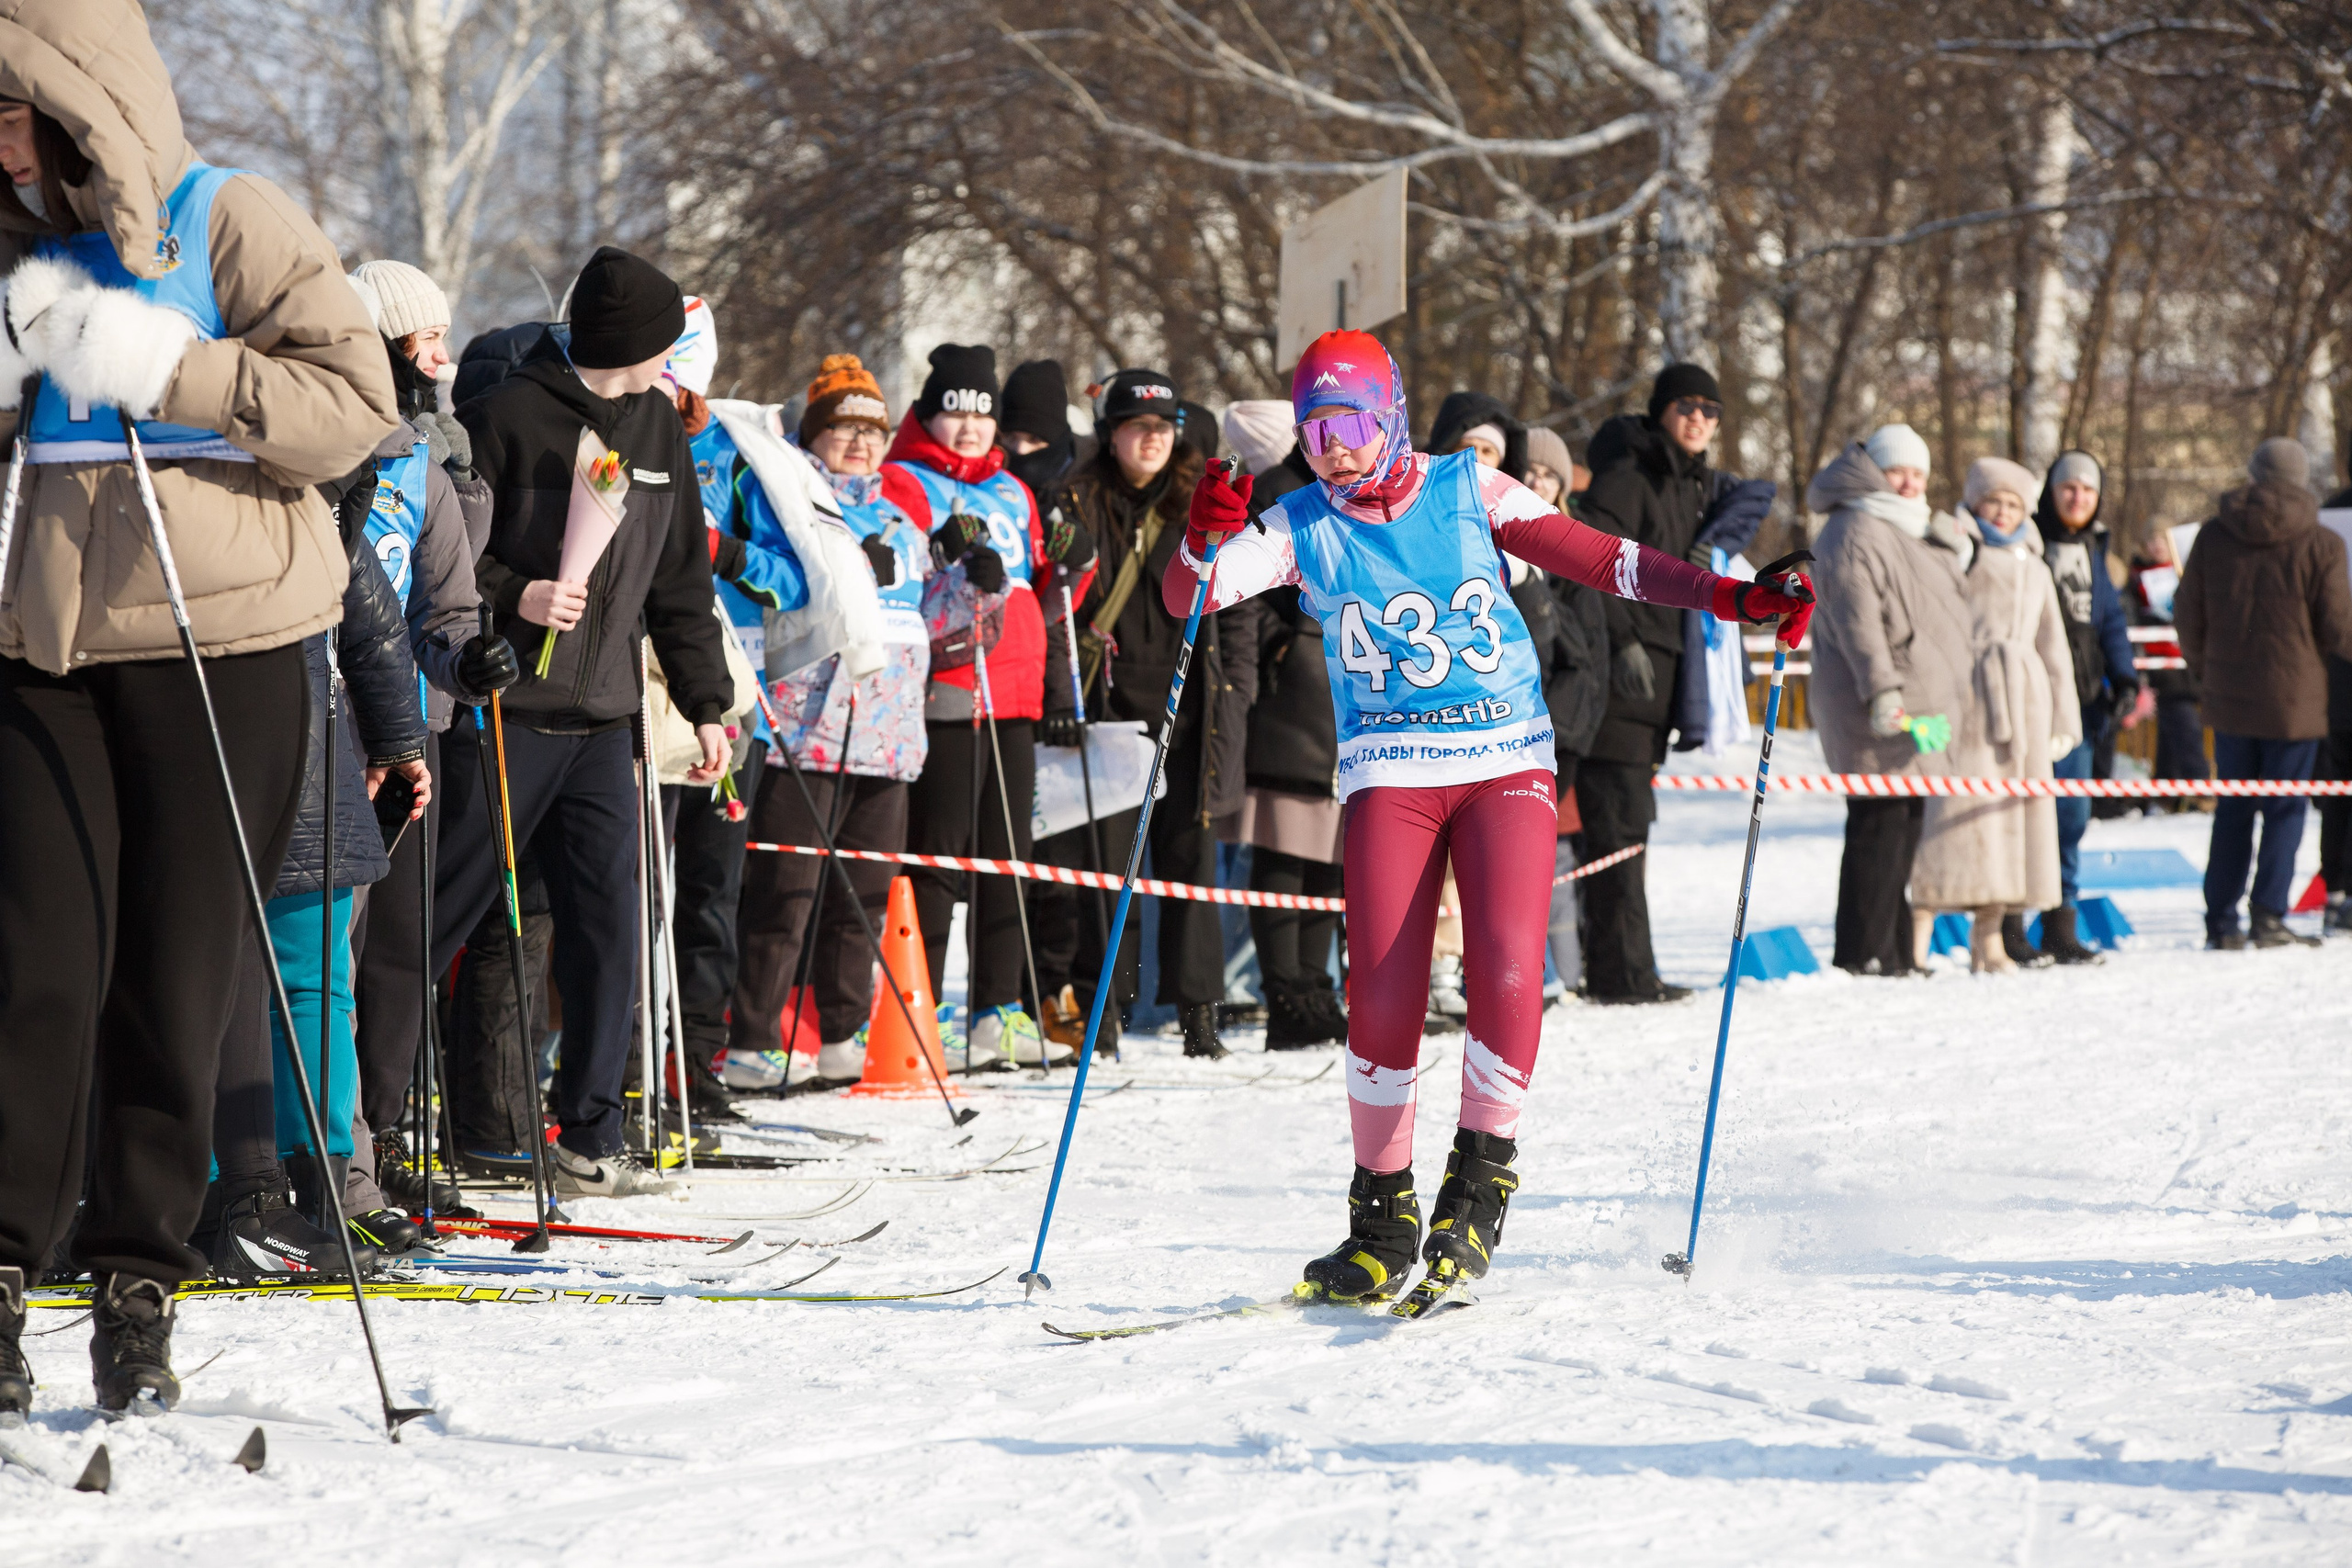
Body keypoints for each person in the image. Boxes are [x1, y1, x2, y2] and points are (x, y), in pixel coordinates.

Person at [1170, 330, 1811, 1306]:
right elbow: (1194, 596)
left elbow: (1608, 562)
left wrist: (1734, 596)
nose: (1330, 446)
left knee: (1507, 962)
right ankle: (1380, 1213)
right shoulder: (1299, 520)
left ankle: (1479, 1178)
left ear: (1388, 417)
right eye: (1311, 429)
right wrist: (1197, 535)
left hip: (1504, 756)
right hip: (1390, 769)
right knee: (1379, 985)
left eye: (1347, 423)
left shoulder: (1466, 488)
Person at [0, 1, 401, 1416]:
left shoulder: (225, 216)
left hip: (216, 637)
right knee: (31, 967)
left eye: (11, 107)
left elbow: (355, 408)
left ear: (73, 99)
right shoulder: (5, 238)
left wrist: (170, 370)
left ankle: (137, 1276)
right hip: (39, 643)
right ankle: (0, 1276)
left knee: (176, 973)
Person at [435, 245, 734, 1201]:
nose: (670, 364)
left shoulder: (657, 427)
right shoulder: (505, 416)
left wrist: (707, 703)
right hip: (509, 714)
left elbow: (681, 579)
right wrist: (517, 596)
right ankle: (371, 1129)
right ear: (627, 344)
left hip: (607, 721)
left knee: (613, 931)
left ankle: (590, 1134)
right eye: (662, 346)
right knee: (441, 916)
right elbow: (449, 567)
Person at [342, 258, 520, 1216]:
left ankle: (386, 1131)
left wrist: (471, 663)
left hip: (413, 735)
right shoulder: (322, 444)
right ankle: (326, 1154)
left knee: (400, 951)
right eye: (427, 342)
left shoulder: (424, 458)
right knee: (328, 951)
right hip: (327, 738)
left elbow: (448, 606)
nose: (444, 360)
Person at [724, 353, 934, 1087]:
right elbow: (769, 586)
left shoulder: (906, 522)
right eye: (842, 427)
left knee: (865, 897)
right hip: (805, 729)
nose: (859, 441)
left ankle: (844, 1032)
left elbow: (938, 624)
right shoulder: (794, 501)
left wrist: (980, 589)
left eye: (871, 429)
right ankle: (754, 1035)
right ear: (814, 435)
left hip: (890, 738)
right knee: (786, 891)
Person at [884, 344, 1095, 1064]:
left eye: (982, 413)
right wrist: (947, 560)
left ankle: (996, 1009)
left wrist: (1076, 563)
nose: (971, 427)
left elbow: (1045, 587)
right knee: (942, 850)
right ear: (930, 414)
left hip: (1017, 688)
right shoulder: (904, 480)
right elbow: (897, 575)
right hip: (951, 686)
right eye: (955, 411)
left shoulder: (1013, 490)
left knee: (1009, 854)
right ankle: (922, 1003)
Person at [1037, 368, 1239, 1058]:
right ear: (1110, 434)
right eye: (1135, 427)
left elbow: (1233, 612)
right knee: (1110, 870)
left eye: (1161, 428)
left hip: (1191, 711)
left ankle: (1198, 1013)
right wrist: (1060, 700)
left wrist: (1233, 692)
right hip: (1111, 709)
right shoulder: (1072, 500)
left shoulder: (1201, 502)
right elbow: (1055, 609)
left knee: (1191, 861)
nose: (1149, 440)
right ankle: (1107, 1010)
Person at [1572, 365, 1727, 1002]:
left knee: (1630, 828)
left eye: (1710, 409)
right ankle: (1619, 973)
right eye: (1686, 405)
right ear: (1662, 410)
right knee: (1614, 830)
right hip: (1617, 685)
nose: (1698, 417)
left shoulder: (1688, 483)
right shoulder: (1630, 476)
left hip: (1657, 684)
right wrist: (1625, 638)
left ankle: (1629, 965)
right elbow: (1589, 557)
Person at [1806, 423, 1973, 976]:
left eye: (1918, 473)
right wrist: (1882, 692)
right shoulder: (1856, 527)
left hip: (1919, 709)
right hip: (1878, 705)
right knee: (1877, 827)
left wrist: (1950, 547)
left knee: (1902, 825)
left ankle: (1896, 949)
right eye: (1897, 470)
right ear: (1874, 471)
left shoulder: (1905, 527)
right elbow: (1861, 623)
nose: (1908, 482)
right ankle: (1862, 953)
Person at [2176, 438, 2352, 949]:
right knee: (2284, 810)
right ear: (2300, 479)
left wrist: (2206, 667)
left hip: (2229, 698)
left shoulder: (2213, 535)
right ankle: (2269, 916)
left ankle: (2222, 920)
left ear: (2253, 475)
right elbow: (2338, 627)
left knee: (2233, 808)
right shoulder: (2321, 543)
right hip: (2294, 702)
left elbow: (2187, 613)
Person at [1908, 457, 2077, 972]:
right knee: (1951, 818)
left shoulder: (2037, 564)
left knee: (2011, 825)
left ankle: (1990, 940)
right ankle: (1918, 933)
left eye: (2013, 504)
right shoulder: (1957, 550)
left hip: (2024, 705)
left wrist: (2062, 722)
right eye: (1993, 502)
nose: (2002, 514)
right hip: (1967, 695)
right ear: (1975, 502)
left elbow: (2054, 647)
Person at [1217, 400, 1346, 1049]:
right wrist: (1287, 641)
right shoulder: (1277, 492)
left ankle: (1316, 992)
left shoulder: (1357, 489)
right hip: (1293, 697)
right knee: (1283, 850)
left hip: (1347, 698)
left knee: (1330, 856)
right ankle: (1286, 994)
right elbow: (1242, 595)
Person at [2032, 452, 2140, 963]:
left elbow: (2111, 621)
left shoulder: (2094, 549)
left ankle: (2061, 923)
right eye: (2068, 487)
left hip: (2081, 706)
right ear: (2051, 492)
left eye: (2087, 490)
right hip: (2029, 701)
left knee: (2072, 816)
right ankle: (2010, 922)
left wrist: (2125, 678)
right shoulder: (2028, 542)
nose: (2077, 497)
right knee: (2028, 813)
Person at [999, 358, 1080, 501]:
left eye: (1035, 439)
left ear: (1057, 440)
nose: (1020, 450)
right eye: (1010, 437)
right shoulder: (981, 488)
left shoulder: (1089, 491)